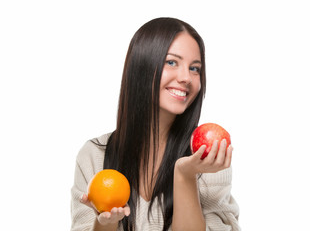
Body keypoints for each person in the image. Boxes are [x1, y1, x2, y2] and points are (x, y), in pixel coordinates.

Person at [71, 17, 239, 231]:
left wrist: (185, 176)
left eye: (195, 68)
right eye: (171, 62)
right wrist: (107, 223)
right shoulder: (94, 155)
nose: (186, 77)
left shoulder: (208, 159)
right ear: (142, 66)